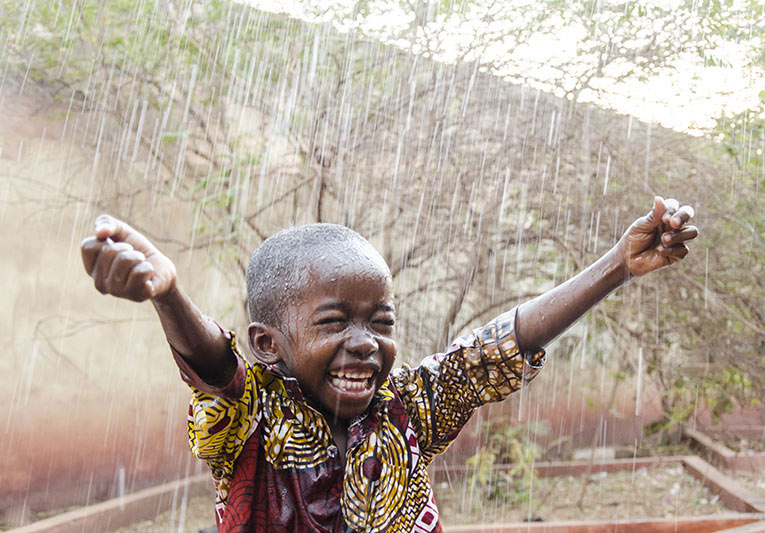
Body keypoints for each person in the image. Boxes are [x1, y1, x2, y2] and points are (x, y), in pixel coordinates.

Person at [81, 196, 697, 532]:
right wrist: (168, 295)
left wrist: (618, 265)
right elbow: (218, 372)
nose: (365, 342)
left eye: (381, 321)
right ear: (269, 344)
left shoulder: (408, 408)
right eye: (333, 322)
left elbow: (495, 347)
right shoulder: (253, 417)